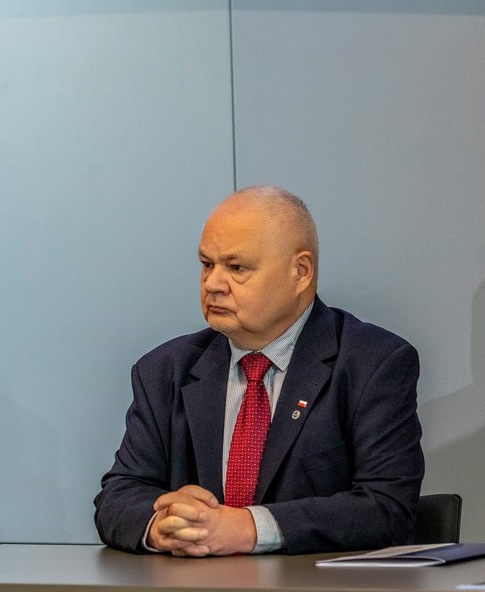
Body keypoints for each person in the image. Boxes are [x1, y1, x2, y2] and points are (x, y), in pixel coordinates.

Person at [94, 186, 423, 556]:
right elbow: (118, 496)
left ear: (301, 272)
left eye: (236, 268)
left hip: (316, 589)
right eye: (207, 264)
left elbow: (387, 508)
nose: (213, 284)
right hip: (194, 590)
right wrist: (163, 525)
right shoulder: (164, 370)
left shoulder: (373, 363)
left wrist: (250, 527)